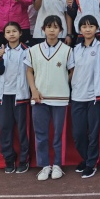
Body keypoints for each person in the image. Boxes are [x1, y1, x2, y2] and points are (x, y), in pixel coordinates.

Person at [25, 15, 75, 181]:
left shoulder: (68, 50)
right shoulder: (33, 50)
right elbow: (29, 71)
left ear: (61, 30)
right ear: (43, 29)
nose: (52, 30)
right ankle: (45, 165)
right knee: (41, 134)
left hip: (60, 97)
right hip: (39, 97)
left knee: (58, 134)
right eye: (49, 27)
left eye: (55, 27)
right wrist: (33, 90)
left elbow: (72, 71)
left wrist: (62, 82)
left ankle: (58, 165)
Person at [70, 15, 100, 179]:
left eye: (91, 26)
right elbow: (71, 72)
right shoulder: (75, 49)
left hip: (95, 96)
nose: (87, 29)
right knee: (78, 134)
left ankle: (91, 164)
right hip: (77, 96)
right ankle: (87, 159)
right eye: (84, 26)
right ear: (79, 30)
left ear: (96, 29)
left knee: (94, 133)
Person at [0, 22, 31, 174]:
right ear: (4, 35)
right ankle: (8, 158)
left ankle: (24, 159)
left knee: (22, 129)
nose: (11, 34)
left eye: (14, 31)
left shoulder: (29, 51)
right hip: (4, 95)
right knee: (5, 128)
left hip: (21, 95)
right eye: (8, 32)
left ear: (20, 33)